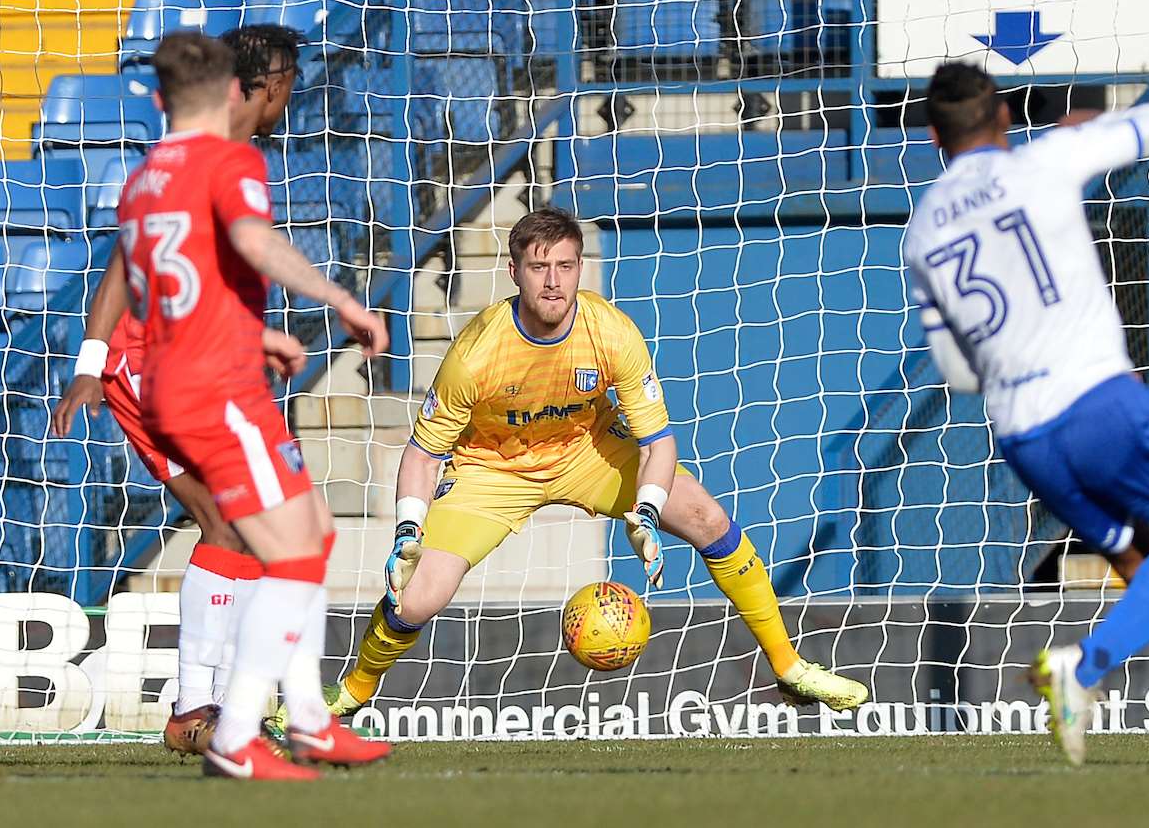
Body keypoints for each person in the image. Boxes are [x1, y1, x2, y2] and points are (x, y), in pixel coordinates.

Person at [282, 206, 869, 728]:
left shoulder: (610, 332)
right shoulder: (475, 352)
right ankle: (352, 693)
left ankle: (789, 667)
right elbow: (422, 451)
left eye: (566, 265)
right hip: (493, 469)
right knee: (416, 598)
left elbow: (658, 442)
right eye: (540, 267)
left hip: (587, 448)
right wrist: (409, 527)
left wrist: (647, 510)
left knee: (708, 518)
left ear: (580, 269)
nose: (554, 280)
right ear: (514, 273)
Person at [901, 61, 1149, 772]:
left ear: (933, 135)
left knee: (1142, 567)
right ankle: (1082, 669)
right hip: (1098, 401)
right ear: (1005, 120)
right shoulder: (1047, 160)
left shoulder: (921, 230)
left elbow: (957, 370)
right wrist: (1097, 128)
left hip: (1023, 435)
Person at [117, 31, 389, 780]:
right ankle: (249, 727)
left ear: (161, 97)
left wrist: (253, 329)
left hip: (183, 373)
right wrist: (337, 297)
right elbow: (253, 241)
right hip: (215, 384)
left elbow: (160, 289)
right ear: (237, 92)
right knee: (295, 549)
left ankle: (293, 718)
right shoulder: (229, 161)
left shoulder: (143, 182)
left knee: (309, 534)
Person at [51, 25, 317, 755]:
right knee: (230, 521)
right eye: (291, 79)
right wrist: (91, 359)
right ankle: (197, 706)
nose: (295, 93)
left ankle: (212, 702)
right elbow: (120, 265)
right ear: (267, 84)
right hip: (146, 363)